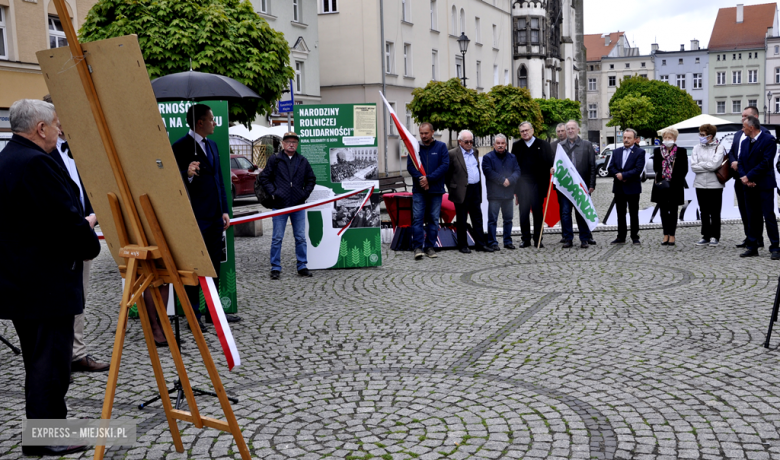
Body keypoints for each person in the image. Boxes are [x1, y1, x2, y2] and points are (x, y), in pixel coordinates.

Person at [0, 99, 100, 457]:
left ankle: (42, 430)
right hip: (46, 284)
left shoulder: (8, 158)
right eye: (56, 124)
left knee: (39, 359)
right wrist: (87, 229)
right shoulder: (37, 163)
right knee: (50, 365)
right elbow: (62, 223)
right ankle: (45, 436)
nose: (60, 130)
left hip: (22, 282)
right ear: (41, 128)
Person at [40, 95, 111, 374]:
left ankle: (76, 353)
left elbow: (86, 187)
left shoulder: (75, 149)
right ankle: (64, 355)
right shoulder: (43, 152)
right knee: (62, 299)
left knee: (79, 296)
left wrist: (92, 215)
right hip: (62, 239)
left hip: (82, 233)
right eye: (62, 117)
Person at [172, 104, 240, 330]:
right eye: (211, 119)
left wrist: (224, 210)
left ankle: (214, 312)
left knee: (213, 265)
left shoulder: (212, 145)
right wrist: (187, 174)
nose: (215, 123)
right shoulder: (180, 147)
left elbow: (219, 180)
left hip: (214, 217)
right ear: (200, 122)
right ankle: (194, 315)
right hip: (194, 218)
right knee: (194, 266)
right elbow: (172, 182)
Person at [258, 131, 317, 278]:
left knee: (301, 237)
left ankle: (302, 266)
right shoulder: (275, 159)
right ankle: (275, 267)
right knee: (277, 238)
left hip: (298, 205)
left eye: (294, 142)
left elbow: (311, 179)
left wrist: (304, 194)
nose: (291, 144)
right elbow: (264, 177)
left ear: (297, 145)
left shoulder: (302, 161)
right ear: (283, 144)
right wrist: (274, 192)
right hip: (279, 204)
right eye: (288, 141)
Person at [736, 116, 779, 259]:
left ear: (751, 127)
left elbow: (766, 162)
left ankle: (775, 247)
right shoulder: (745, 142)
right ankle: (752, 245)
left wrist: (749, 177)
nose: (742, 129)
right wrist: (745, 178)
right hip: (749, 186)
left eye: (744, 127)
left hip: (764, 185)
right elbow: (740, 161)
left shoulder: (769, 140)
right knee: (752, 216)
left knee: (768, 215)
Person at [407, 122, 450, 260]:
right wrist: (422, 179)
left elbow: (444, 166)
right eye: (421, 133)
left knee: (433, 219)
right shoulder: (414, 147)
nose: (423, 136)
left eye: (426, 133)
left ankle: (430, 246)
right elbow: (410, 167)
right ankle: (418, 247)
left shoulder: (441, 146)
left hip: (435, 190)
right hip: (419, 190)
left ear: (432, 132)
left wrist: (429, 179)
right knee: (417, 218)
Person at [729, 106, 769, 248]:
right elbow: (732, 151)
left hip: (754, 179)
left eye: (745, 116)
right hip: (739, 177)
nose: (742, 118)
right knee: (744, 209)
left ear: (755, 118)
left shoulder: (764, 134)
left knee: (756, 212)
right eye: (742, 116)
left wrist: (750, 176)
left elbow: (762, 159)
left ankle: (758, 238)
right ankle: (749, 237)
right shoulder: (738, 134)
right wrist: (735, 162)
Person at [446, 129, 491, 253]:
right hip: (461, 191)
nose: (470, 144)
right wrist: (452, 188)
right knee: (462, 219)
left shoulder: (475, 151)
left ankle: (480, 244)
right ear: (460, 142)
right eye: (467, 142)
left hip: (475, 188)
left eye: (471, 141)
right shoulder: (452, 154)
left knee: (477, 217)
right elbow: (447, 175)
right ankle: (463, 245)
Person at [512, 121, 553, 247]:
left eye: (526, 130)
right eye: (522, 131)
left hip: (538, 184)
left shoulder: (544, 145)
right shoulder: (516, 146)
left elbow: (550, 162)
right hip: (522, 184)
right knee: (523, 212)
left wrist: (552, 168)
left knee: (537, 212)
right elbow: (513, 166)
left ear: (532, 130)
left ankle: (538, 238)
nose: (525, 133)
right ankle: (525, 239)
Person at [556, 120, 597, 248]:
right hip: (566, 186)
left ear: (578, 130)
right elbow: (557, 165)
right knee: (565, 213)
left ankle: (584, 238)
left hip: (581, 185)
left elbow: (592, 166)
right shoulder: (560, 146)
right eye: (568, 129)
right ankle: (568, 238)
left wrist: (591, 184)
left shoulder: (587, 145)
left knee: (581, 212)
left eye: (572, 128)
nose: (570, 131)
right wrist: (553, 170)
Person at [482, 134, 521, 250]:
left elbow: (517, 171)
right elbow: (488, 172)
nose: (500, 145)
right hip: (494, 194)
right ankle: (492, 242)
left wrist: (510, 180)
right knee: (492, 220)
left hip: (508, 194)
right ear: (494, 144)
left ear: (506, 144)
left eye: (502, 143)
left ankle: (508, 241)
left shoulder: (512, 157)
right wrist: (502, 180)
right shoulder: (487, 158)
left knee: (508, 219)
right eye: (498, 143)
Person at [650, 128, 688, 246]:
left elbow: (684, 170)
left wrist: (673, 180)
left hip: (675, 186)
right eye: (665, 138)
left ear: (675, 139)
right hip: (662, 185)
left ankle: (672, 234)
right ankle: (665, 233)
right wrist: (664, 179)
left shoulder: (681, 151)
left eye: (670, 138)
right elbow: (656, 168)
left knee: (673, 211)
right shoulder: (657, 151)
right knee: (663, 211)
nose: (667, 140)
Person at [607, 128, 646, 245]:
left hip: (632, 187)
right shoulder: (616, 152)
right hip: (619, 187)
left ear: (635, 139)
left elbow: (638, 169)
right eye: (624, 138)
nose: (626, 140)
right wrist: (617, 175)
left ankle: (635, 236)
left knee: (634, 213)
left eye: (629, 138)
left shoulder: (640, 152)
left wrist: (623, 175)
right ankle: (621, 236)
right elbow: (611, 167)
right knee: (620, 213)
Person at [691, 123, 726, 247]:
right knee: (704, 211)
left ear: (710, 136)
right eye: (700, 134)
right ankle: (705, 235)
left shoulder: (719, 147)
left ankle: (715, 236)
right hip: (700, 184)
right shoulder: (696, 148)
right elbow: (693, 166)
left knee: (715, 211)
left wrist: (703, 165)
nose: (700, 137)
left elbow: (715, 165)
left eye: (703, 135)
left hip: (715, 184)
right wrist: (708, 165)